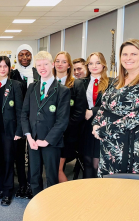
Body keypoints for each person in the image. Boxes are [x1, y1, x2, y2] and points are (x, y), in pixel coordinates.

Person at [93, 39, 139, 177]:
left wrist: (103, 131)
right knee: (109, 189)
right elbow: (103, 106)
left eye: (134, 54)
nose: (128, 58)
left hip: (133, 147)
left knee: (130, 192)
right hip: (110, 146)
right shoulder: (118, 80)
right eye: (124, 54)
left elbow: (136, 117)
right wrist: (95, 124)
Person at [21, 51, 70, 196]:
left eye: (45, 64)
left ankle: (51, 206)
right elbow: (24, 114)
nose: (42, 68)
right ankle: (36, 204)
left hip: (51, 142)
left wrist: (47, 141)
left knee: (52, 177)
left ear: (52, 65)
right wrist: (29, 137)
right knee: (34, 176)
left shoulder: (62, 90)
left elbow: (62, 121)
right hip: (33, 141)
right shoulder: (32, 88)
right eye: (39, 65)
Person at [0, 56, 23, 206]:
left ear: (9, 68)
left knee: (8, 160)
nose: (2, 69)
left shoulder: (15, 85)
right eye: (0, 66)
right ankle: (0, 187)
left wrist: (19, 131)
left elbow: (20, 110)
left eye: (5, 66)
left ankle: (8, 191)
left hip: (9, 130)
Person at [9, 44, 39, 199]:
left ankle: (33, 184)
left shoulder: (37, 73)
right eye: (21, 54)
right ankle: (22, 184)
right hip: (19, 121)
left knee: (34, 153)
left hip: (36, 121)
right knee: (19, 154)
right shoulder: (12, 74)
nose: (25, 57)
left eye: (28, 54)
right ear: (17, 57)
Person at [53, 52, 85, 183]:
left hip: (67, 133)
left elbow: (79, 111)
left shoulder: (76, 84)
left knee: (58, 169)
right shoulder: (48, 82)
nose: (60, 64)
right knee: (52, 167)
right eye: (57, 61)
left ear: (69, 65)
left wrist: (63, 126)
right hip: (50, 133)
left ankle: (66, 197)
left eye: (64, 62)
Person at [80, 52, 111, 179]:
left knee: (96, 163)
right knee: (86, 161)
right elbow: (76, 104)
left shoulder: (111, 83)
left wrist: (93, 110)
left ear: (104, 65)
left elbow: (111, 106)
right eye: (91, 63)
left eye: (98, 62)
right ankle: (87, 191)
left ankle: (98, 192)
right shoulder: (81, 83)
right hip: (85, 126)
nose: (94, 66)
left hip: (101, 126)